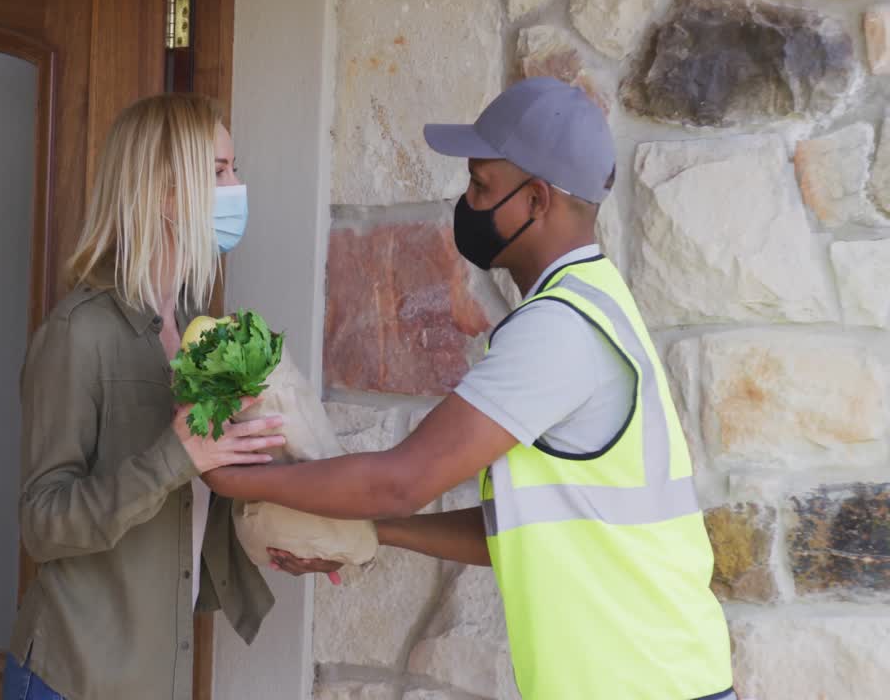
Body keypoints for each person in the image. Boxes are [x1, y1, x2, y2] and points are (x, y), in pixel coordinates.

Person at [203, 77, 737, 700]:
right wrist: (371, 533)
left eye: (482, 186)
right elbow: (515, 526)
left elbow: (402, 478)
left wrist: (228, 476)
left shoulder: (559, 331)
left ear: (536, 200)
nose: (467, 202)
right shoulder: (593, 302)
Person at [3, 93, 294, 700]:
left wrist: (286, 535)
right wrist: (173, 457)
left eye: (234, 170)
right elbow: (43, 524)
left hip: (159, 674)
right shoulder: (77, 333)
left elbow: (188, 498)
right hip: (75, 677)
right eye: (219, 173)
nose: (237, 187)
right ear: (165, 192)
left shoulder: (196, 325)